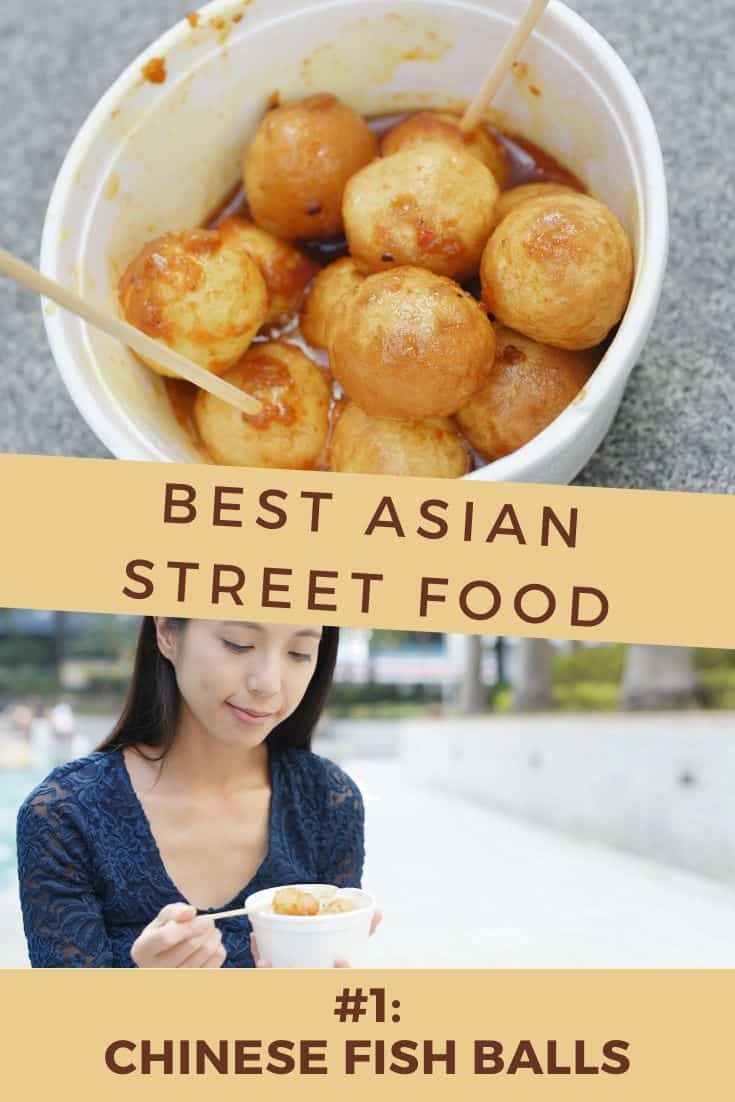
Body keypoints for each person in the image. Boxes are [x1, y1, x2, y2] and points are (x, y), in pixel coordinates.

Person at [17, 617, 379, 967]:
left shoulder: (327, 801)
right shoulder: (65, 814)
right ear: (167, 632)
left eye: (299, 652)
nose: (268, 683)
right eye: (239, 643)